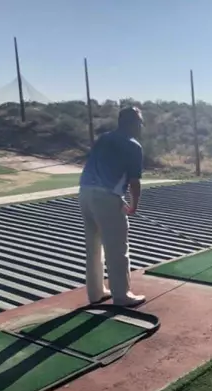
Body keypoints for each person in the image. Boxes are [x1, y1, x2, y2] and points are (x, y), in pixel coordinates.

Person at [78, 106, 146, 307]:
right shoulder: (133, 145)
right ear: (134, 124)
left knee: (93, 246)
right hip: (106, 198)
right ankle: (122, 295)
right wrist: (133, 206)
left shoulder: (104, 138)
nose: (141, 127)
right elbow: (134, 182)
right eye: (140, 123)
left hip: (85, 193)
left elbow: (102, 169)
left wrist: (116, 195)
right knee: (117, 248)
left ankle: (96, 293)